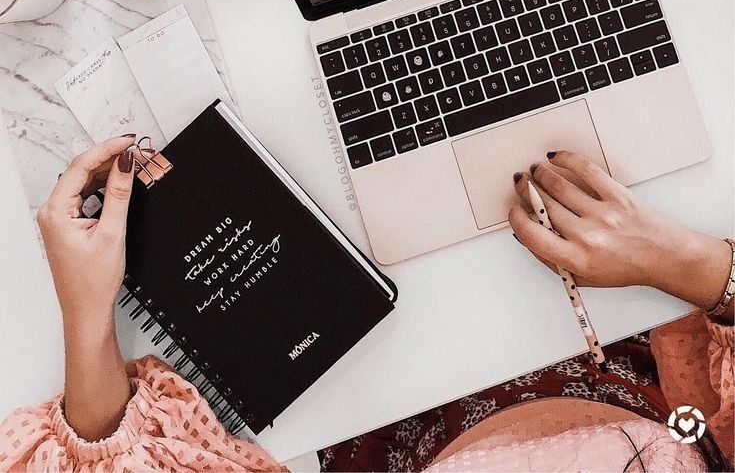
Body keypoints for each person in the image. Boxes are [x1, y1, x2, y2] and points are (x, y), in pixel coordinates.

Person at [0, 141, 732, 471]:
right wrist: (691, 266)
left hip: (362, 406)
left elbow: (107, 463)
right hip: (639, 345)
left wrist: (86, 311)